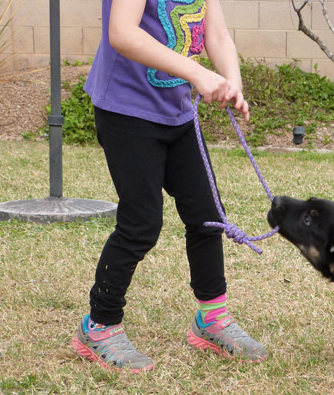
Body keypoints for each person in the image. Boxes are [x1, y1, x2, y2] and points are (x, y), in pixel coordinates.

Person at [71, 0, 268, 372]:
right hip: (126, 113)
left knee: (207, 215)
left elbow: (219, 35)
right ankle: (99, 326)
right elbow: (122, 33)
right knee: (141, 223)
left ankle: (211, 320)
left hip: (178, 114)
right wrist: (197, 73)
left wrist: (231, 80)